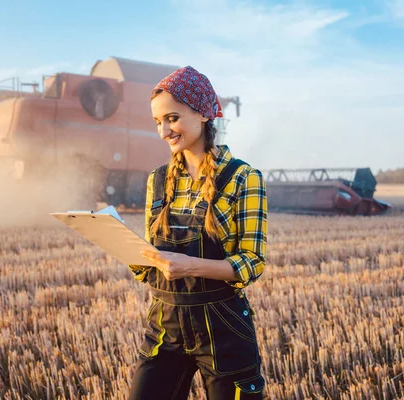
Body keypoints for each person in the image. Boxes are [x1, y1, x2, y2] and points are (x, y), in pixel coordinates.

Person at [127, 65, 268, 400]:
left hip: (223, 328)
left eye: (172, 118)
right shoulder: (157, 179)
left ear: (203, 113)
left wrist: (189, 266)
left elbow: (251, 263)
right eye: (158, 122)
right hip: (165, 324)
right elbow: (150, 266)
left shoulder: (242, 178)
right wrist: (132, 254)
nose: (164, 130)